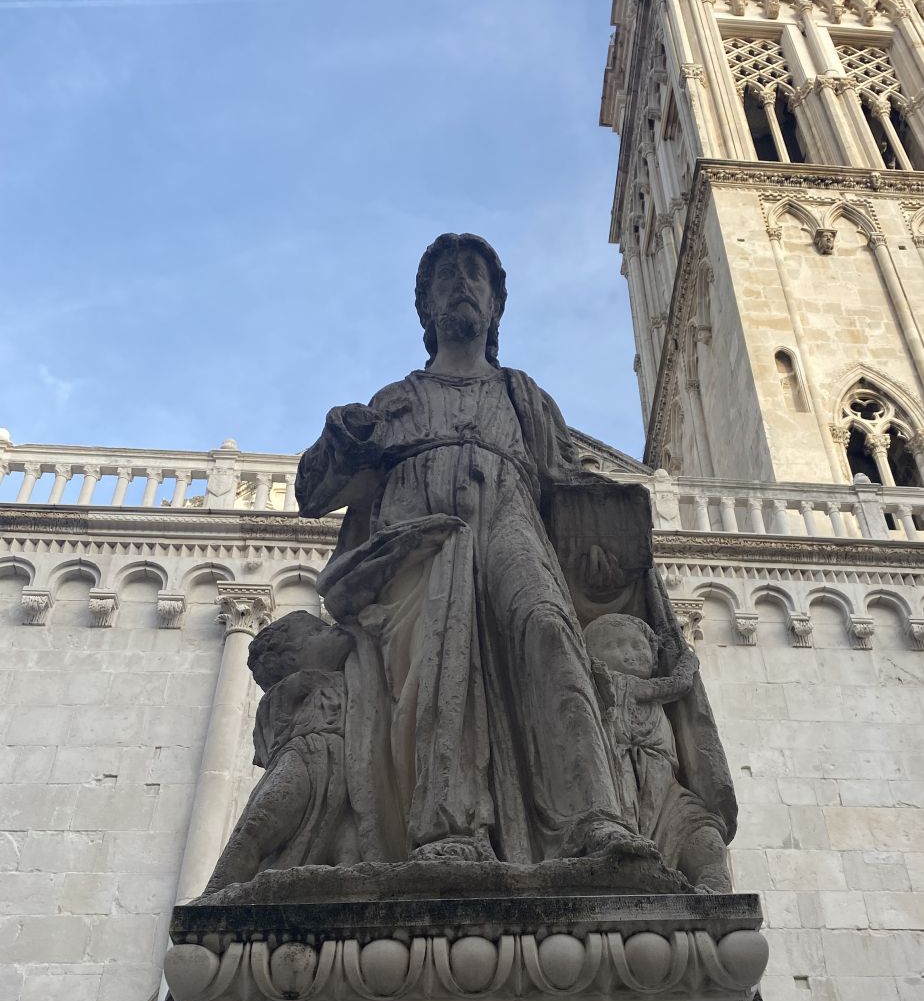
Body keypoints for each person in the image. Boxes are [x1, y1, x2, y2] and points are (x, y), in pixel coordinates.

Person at [294, 233, 649, 867]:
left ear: (495, 306)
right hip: (417, 546)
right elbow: (314, 492)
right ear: (426, 310)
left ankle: (595, 818)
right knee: (438, 660)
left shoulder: (523, 396)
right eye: (446, 278)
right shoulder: (397, 399)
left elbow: (567, 486)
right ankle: (448, 828)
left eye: (475, 276)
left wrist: (602, 553)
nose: (462, 284)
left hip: (511, 524)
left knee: (548, 629)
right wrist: (340, 436)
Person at [205, 612, 356, 892]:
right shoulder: (291, 687)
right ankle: (217, 889)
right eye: (316, 633)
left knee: (349, 834)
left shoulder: (352, 677)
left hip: (344, 763)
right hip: (304, 757)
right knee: (263, 821)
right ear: (289, 660)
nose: (330, 632)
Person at [585, 613, 730, 892]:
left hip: (667, 793)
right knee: (626, 835)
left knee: (703, 832)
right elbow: (674, 686)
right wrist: (687, 664)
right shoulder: (617, 683)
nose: (630, 655)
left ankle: (713, 880)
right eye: (615, 646)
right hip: (626, 780)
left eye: (637, 647)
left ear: (653, 658)